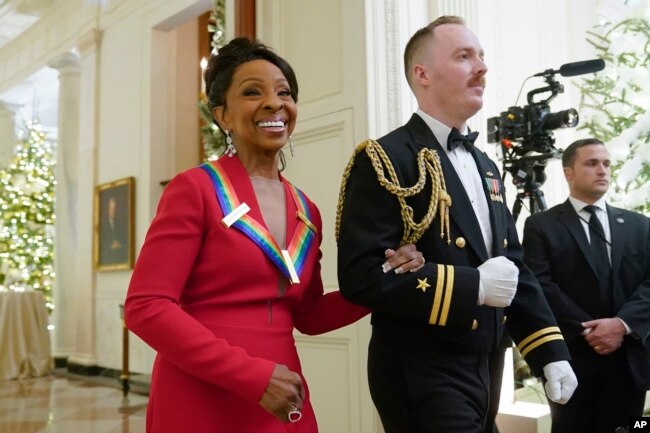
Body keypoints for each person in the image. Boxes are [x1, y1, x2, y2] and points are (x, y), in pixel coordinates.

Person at [124, 37, 425, 433]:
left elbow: (309, 315)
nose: (274, 103)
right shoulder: (194, 189)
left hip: (284, 397)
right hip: (201, 397)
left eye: (284, 92)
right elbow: (146, 307)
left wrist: (387, 280)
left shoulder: (307, 210)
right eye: (252, 92)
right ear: (223, 116)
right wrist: (252, 377)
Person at [336, 16, 578, 433]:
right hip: (421, 369)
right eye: (464, 56)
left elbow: (513, 266)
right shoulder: (384, 157)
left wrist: (548, 348)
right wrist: (474, 286)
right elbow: (360, 276)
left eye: (481, 56)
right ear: (422, 74)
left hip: (487, 367)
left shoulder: (486, 167)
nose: (482, 67)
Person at [522, 138, 650, 433]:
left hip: (628, 360)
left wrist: (621, 325)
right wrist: (592, 330)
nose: (602, 170)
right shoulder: (541, 225)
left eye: (606, 163)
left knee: (634, 429)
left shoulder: (640, 225)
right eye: (592, 163)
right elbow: (540, 285)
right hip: (571, 358)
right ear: (568, 172)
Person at [100, 195, 128, 264]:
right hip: (107, 258)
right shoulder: (102, 225)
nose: (113, 211)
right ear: (108, 209)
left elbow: (124, 240)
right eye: (111, 208)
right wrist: (111, 246)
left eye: (114, 208)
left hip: (118, 256)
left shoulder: (119, 224)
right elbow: (101, 245)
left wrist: (119, 244)